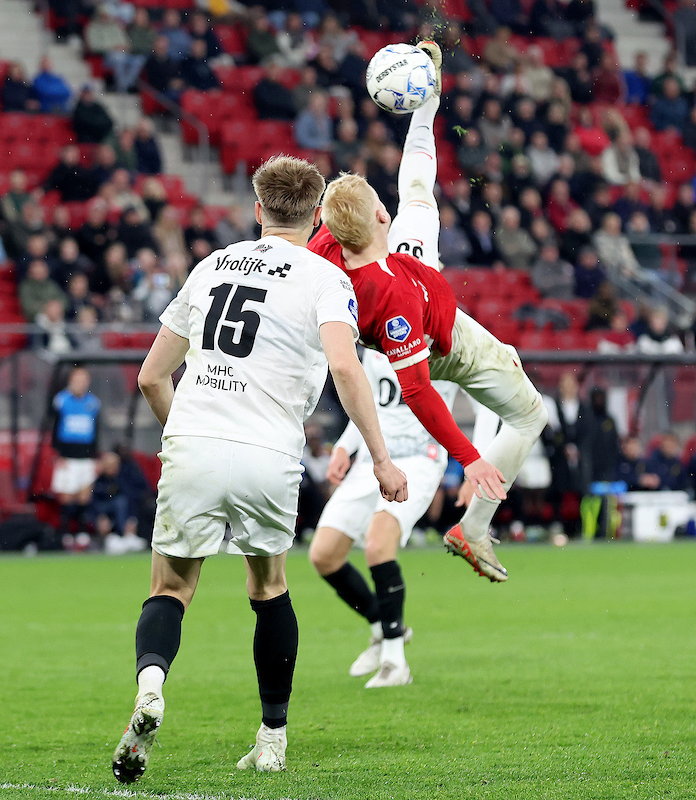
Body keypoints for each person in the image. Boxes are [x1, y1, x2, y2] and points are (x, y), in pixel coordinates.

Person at [112, 155, 407, 783]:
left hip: (193, 437)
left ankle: (151, 686)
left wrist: (186, 434)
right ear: (318, 214)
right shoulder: (326, 279)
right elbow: (348, 368)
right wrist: (379, 458)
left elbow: (150, 375)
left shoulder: (212, 266)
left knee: (171, 588)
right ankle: (271, 739)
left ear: (258, 210)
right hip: (269, 452)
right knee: (268, 588)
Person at [308, 42, 548, 583]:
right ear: (376, 217)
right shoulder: (394, 285)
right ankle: (474, 528)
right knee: (532, 416)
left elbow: (411, 175)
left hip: (411, 335)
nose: (384, 201)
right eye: (376, 200)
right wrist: (471, 456)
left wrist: (425, 100)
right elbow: (416, 390)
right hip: (443, 344)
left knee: (418, 186)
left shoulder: (328, 251)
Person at [307, 82, 500, 685]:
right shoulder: (346, 279)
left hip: (419, 457)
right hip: (377, 451)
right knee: (322, 555)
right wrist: (346, 445)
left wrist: (477, 463)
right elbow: (359, 375)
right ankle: (385, 628)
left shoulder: (423, 289)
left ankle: (395, 659)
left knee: (379, 546)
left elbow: (419, 170)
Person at [50, 367, 101, 537]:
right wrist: (58, 454)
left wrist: (95, 457)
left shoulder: (93, 403)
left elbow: (96, 432)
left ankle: (81, 533)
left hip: (85, 456)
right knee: (66, 497)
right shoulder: (61, 401)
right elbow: (55, 429)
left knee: (84, 497)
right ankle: (65, 534)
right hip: (67, 456)